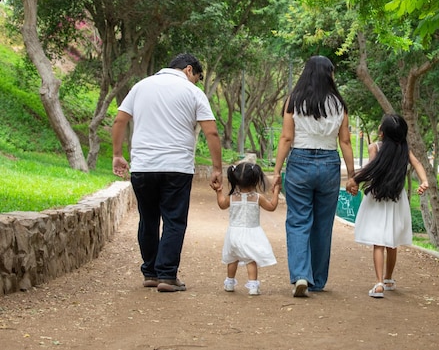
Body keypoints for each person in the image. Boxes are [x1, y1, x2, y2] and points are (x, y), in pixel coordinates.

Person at [112, 53, 223, 293]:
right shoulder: (193, 92)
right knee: (174, 220)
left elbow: (120, 120)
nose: (196, 82)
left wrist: (117, 154)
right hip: (177, 167)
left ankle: (150, 273)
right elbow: (211, 132)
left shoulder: (141, 86)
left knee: (148, 218)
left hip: (143, 166)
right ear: (189, 70)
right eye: (197, 77)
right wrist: (217, 168)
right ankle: (167, 275)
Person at [273, 55, 355, 297]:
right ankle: (317, 280)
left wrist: (277, 171)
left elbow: (286, 138)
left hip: (299, 163)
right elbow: (346, 141)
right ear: (329, 74)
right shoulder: (339, 104)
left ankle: (301, 275)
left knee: (298, 220)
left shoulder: (294, 100)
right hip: (329, 163)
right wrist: (351, 175)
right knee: (323, 224)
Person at [345, 114, 428, 298]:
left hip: (377, 199)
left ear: (381, 133)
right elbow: (418, 164)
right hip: (396, 200)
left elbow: (371, 169)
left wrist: (353, 180)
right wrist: (424, 181)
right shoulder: (404, 150)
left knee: (379, 242)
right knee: (392, 242)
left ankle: (379, 283)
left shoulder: (375, 147)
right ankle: (389, 278)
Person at [215, 162, 280, 296]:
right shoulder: (257, 198)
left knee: (232, 259)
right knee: (251, 259)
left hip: (233, 233)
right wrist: (276, 192)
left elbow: (221, 204)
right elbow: (272, 206)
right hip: (252, 232)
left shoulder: (232, 197)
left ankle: (229, 283)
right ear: (256, 179)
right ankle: (253, 286)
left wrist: (219, 191)